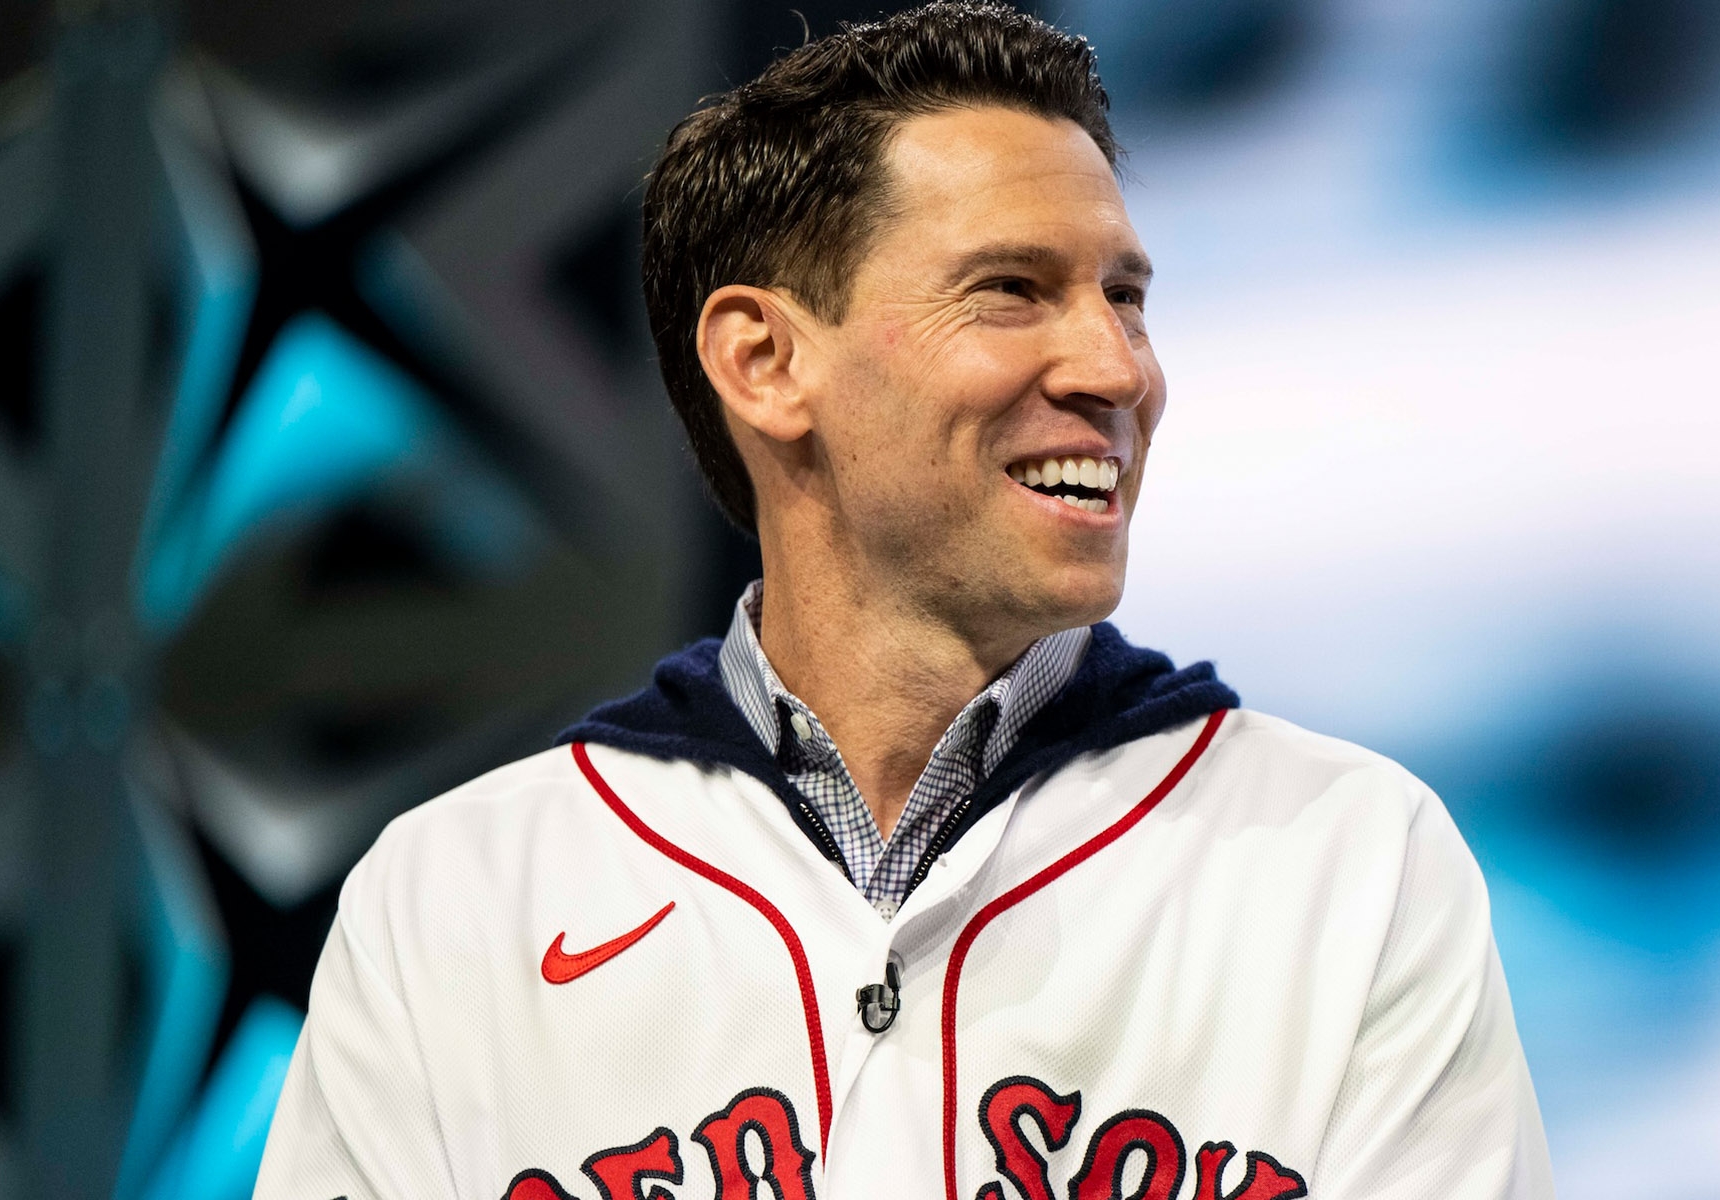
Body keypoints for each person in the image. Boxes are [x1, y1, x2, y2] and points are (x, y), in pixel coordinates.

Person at [253, 5, 1552, 1198]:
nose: (1116, 369)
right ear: (764, 363)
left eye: (1126, 298)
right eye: (1011, 292)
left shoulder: (1351, 862)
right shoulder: (459, 900)